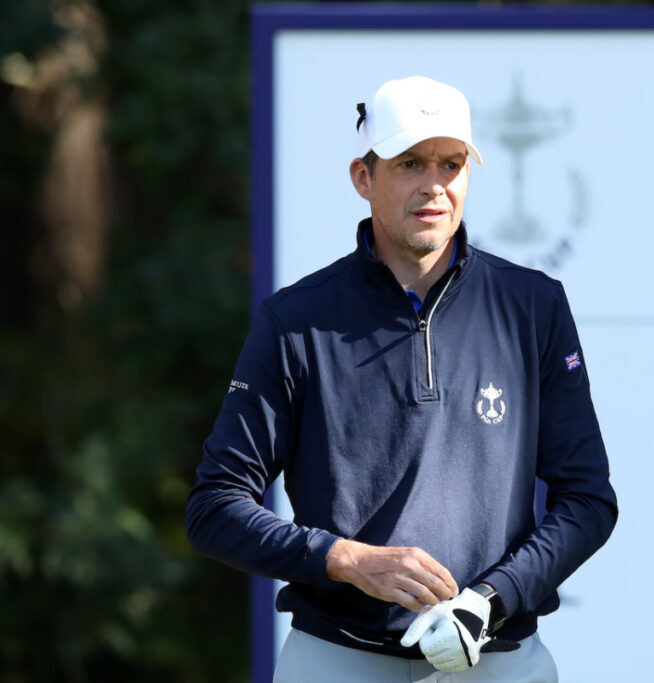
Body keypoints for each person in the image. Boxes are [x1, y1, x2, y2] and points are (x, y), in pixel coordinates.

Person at [186, 75, 617, 682]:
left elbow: (588, 500)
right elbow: (215, 507)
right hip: (337, 660)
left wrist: (488, 602)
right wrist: (343, 559)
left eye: (451, 164)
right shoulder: (295, 320)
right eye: (410, 163)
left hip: (499, 660)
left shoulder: (534, 306)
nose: (434, 185)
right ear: (363, 178)